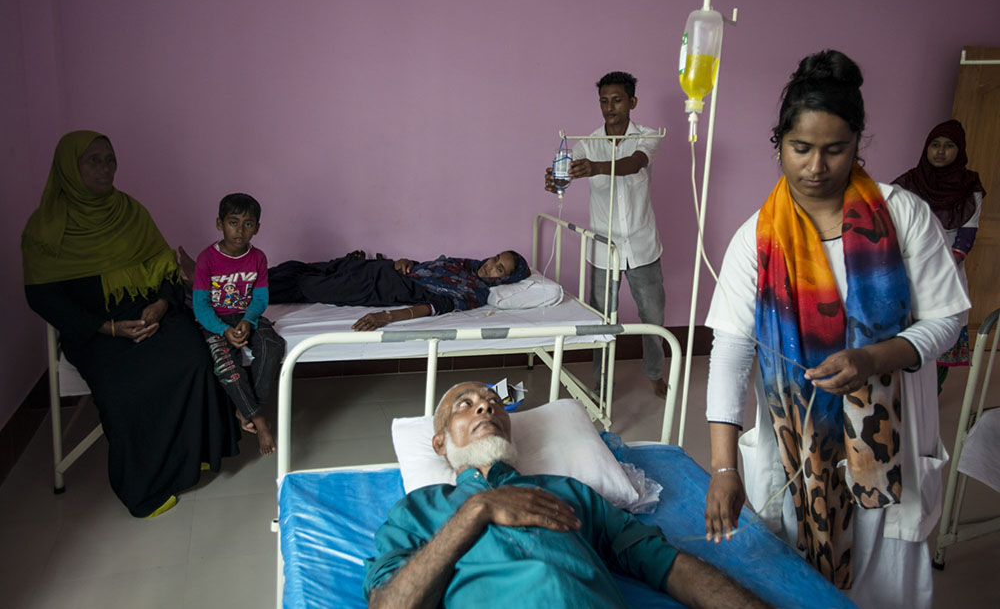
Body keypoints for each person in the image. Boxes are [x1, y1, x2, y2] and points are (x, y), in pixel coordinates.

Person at [701, 50, 969, 609]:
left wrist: (875, 359)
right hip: (799, 447)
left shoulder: (903, 216)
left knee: (888, 580)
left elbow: (949, 318)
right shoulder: (756, 239)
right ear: (778, 143)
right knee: (801, 580)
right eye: (800, 149)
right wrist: (724, 469)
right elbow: (730, 350)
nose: (815, 167)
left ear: (858, 143)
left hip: (887, 444)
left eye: (835, 149)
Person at [364, 381, 771, 609]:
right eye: (465, 405)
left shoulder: (568, 491)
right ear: (439, 444)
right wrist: (476, 511)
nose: (486, 408)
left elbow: (667, 565)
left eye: (493, 404)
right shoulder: (417, 511)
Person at [22, 131, 241, 518]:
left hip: (147, 313)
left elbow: (164, 266)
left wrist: (159, 304)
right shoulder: (46, 228)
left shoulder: (129, 212)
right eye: (94, 161)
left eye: (110, 159)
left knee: (194, 354)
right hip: (94, 329)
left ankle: (197, 456)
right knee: (125, 387)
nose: (105, 168)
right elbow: (43, 297)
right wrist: (108, 328)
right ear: (69, 168)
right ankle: (146, 487)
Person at [544, 71, 668, 398]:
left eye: (616, 100)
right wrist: (557, 178)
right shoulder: (587, 144)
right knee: (602, 322)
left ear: (632, 102)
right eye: (604, 101)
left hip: (642, 246)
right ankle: (602, 384)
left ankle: (655, 373)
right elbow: (566, 174)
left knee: (653, 317)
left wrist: (597, 168)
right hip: (602, 249)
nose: (609, 107)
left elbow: (635, 163)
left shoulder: (648, 137)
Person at [892, 119, 986, 390]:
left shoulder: (970, 187)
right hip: (907, 266)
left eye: (949, 146)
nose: (940, 151)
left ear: (960, 150)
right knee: (906, 328)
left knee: (943, 326)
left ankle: (933, 390)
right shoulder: (907, 182)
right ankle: (904, 389)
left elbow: (967, 235)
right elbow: (890, 224)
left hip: (947, 267)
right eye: (935, 145)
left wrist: (938, 267)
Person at [192, 193, 285, 455]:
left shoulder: (258, 258)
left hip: (247, 316)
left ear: (257, 228)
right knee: (226, 366)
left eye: (248, 224)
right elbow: (200, 306)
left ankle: (246, 408)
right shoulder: (206, 259)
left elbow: (260, 297)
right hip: (216, 321)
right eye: (233, 222)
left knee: (272, 346)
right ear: (219, 223)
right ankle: (258, 418)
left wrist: (247, 319)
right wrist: (223, 329)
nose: (240, 230)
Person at [268, 250, 530, 331]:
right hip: (377, 268)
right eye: (495, 258)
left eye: (499, 269)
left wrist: (387, 316)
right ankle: (236, 280)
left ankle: (239, 296)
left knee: (303, 285)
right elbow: (429, 270)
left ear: (504, 281)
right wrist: (406, 262)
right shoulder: (464, 266)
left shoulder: (475, 293)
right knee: (296, 268)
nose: (490, 266)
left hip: (375, 287)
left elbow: (434, 307)